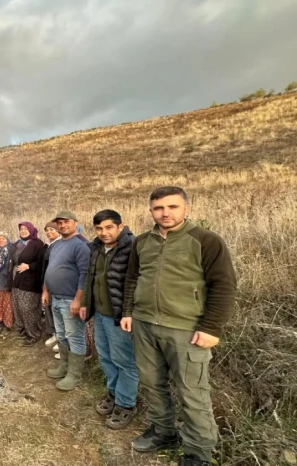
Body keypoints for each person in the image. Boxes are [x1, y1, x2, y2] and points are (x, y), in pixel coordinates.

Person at [123, 187, 236, 466]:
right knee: (151, 383)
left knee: (192, 391)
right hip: (145, 325)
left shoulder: (205, 240)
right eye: (159, 208)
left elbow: (224, 286)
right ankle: (163, 432)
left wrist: (211, 328)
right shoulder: (141, 242)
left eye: (172, 207)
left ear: (186, 208)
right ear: (151, 211)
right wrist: (128, 312)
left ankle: (199, 452)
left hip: (186, 329)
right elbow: (132, 279)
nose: (165, 213)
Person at [78, 210, 138, 429]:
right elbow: (90, 279)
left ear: (120, 227)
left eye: (109, 227)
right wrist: (86, 303)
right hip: (100, 314)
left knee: (125, 361)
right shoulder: (96, 248)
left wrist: (129, 313)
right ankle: (114, 393)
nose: (104, 232)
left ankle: (126, 404)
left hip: (121, 318)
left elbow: (135, 283)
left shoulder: (132, 247)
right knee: (105, 357)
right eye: (99, 228)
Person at [43, 210, 91, 391]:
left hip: (70, 299)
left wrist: (78, 300)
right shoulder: (57, 245)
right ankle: (63, 367)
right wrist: (46, 291)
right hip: (56, 298)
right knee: (62, 335)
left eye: (66, 222)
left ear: (75, 222)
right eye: (59, 223)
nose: (62, 226)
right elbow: (51, 269)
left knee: (74, 336)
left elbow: (85, 275)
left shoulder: (81, 245)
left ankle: (75, 375)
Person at [9, 222, 46, 346]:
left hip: (31, 281)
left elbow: (42, 263)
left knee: (28, 308)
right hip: (17, 280)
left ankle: (34, 333)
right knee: (19, 307)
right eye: (21, 229)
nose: (23, 231)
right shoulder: (17, 244)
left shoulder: (38, 244)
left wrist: (29, 266)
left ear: (31, 230)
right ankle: (25, 329)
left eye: (25, 229)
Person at [42, 221, 60, 354]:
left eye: (52, 230)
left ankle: (61, 339)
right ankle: (56, 333)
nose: (49, 233)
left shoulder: (60, 244)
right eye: (47, 230)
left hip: (57, 284)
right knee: (50, 308)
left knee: (58, 311)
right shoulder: (49, 245)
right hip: (48, 282)